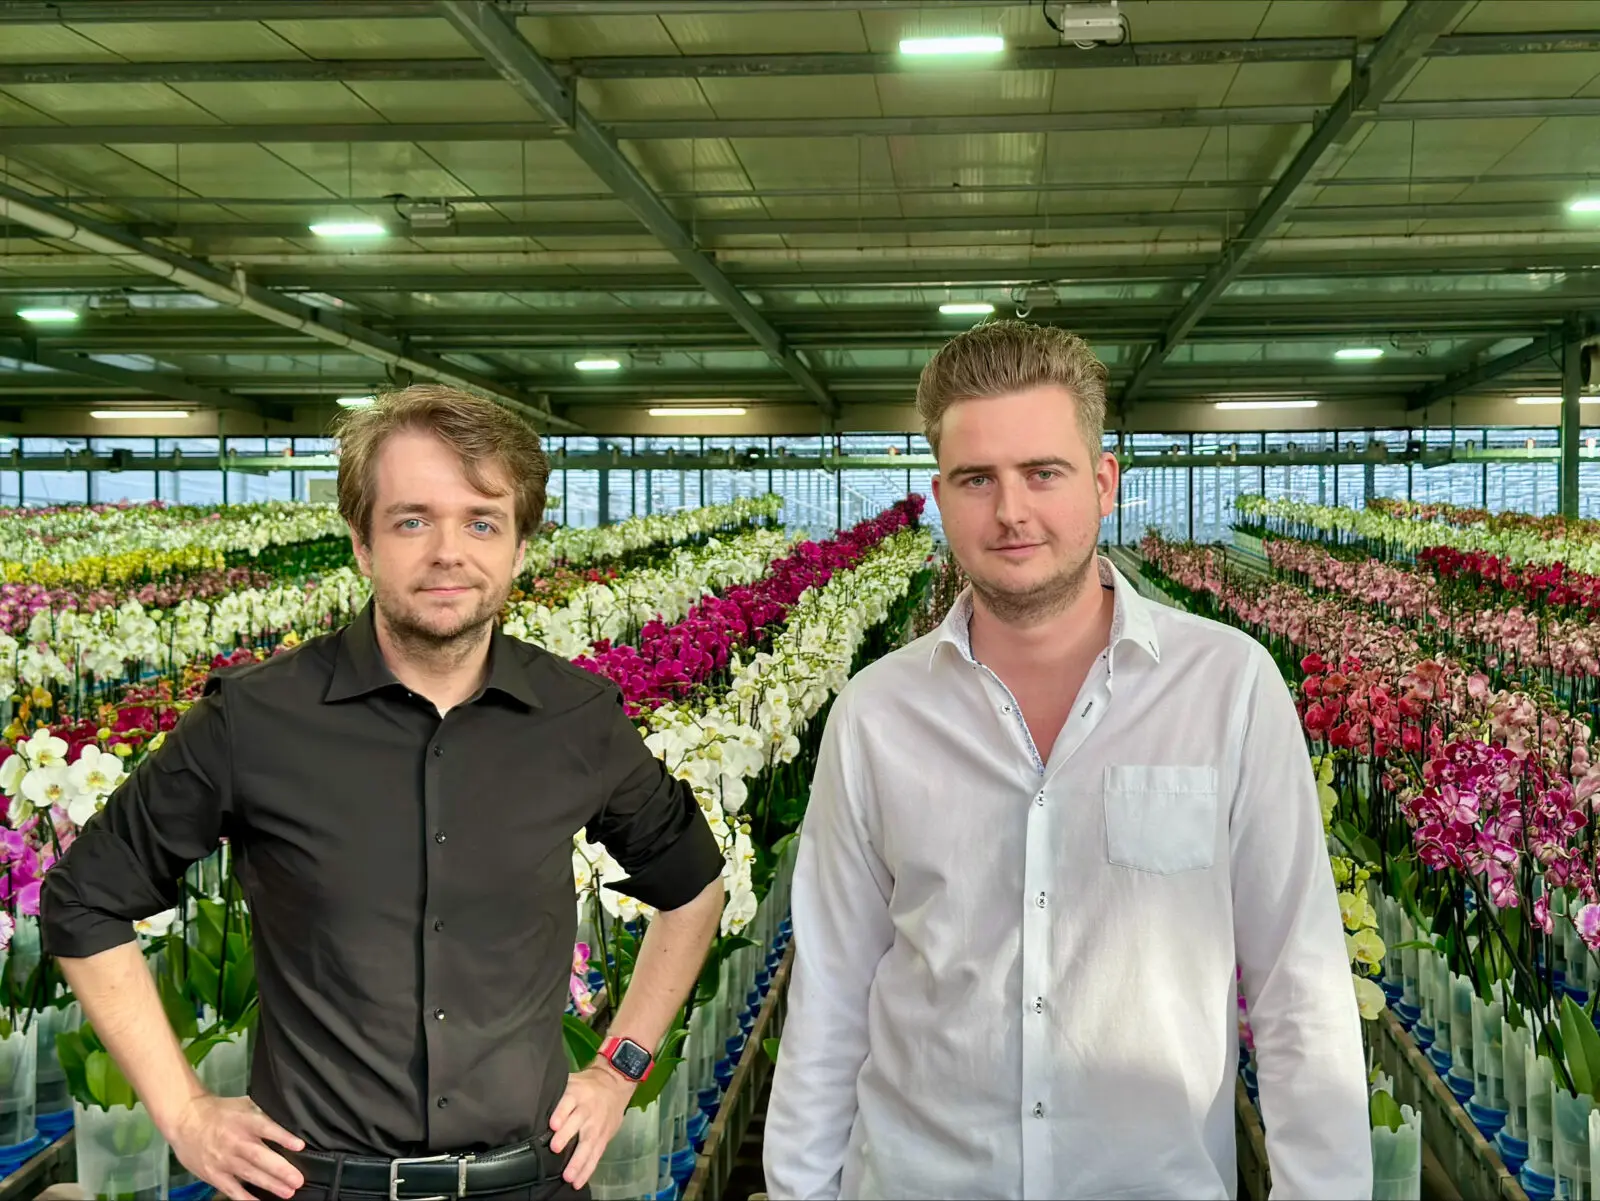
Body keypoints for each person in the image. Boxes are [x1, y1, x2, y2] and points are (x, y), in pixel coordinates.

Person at [41, 385, 725, 1201]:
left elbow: (694, 884)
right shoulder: (254, 719)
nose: (448, 552)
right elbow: (84, 897)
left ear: (519, 546)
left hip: (530, 1181)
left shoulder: (577, 717)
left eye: (482, 522)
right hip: (314, 1185)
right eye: (411, 520)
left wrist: (620, 1067)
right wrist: (184, 1111)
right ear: (362, 543)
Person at [763, 321, 1370, 1200]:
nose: (1011, 511)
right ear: (939, 497)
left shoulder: (1228, 689)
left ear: (1103, 482)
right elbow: (828, 994)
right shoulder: (876, 714)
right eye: (977, 478)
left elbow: (1299, 986)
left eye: (1043, 472)